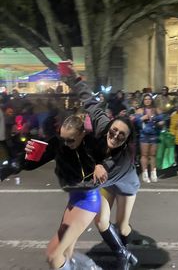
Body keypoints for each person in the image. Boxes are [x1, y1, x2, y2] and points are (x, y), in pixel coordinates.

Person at [0, 114, 106, 270]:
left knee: (54, 254)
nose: (65, 143)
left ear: (83, 133)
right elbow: (29, 163)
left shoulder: (92, 144)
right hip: (74, 200)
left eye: (70, 140)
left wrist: (100, 164)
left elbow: (114, 155)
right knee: (67, 252)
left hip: (88, 200)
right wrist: (21, 159)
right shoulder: (58, 143)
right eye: (63, 138)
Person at [73, 77, 140, 269]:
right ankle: (123, 255)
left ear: (127, 140)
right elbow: (90, 101)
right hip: (106, 181)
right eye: (114, 130)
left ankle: (124, 247)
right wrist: (73, 77)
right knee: (101, 220)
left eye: (122, 135)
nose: (116, 135)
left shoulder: (124, 159)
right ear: (109, 126)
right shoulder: (103, 125)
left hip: (125, 183)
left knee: (122, 226)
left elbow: (94, 181)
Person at [134, 93, 165, 183]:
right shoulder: (140, 110)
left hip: (154, 134)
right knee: (144, 155)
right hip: (144, 135)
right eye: (145, 99)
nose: (147, 100)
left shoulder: (156, 110)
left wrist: (161, 122)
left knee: (153, 155)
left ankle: (153, 173)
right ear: (143, 101)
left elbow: (163, 119)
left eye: (149, 99)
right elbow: (135, 122)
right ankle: (145, 173)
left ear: (151, 100)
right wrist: (141, 118)